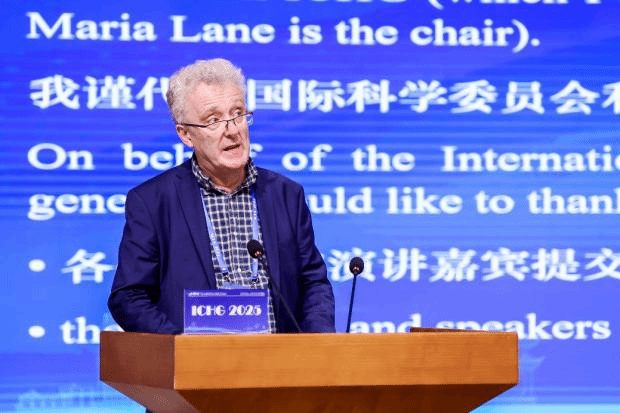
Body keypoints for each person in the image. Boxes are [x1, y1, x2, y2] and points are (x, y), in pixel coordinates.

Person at [108, 58, 335, 334]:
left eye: (238, 114)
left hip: (278, 359)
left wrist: (317, 347)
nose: (233, 130)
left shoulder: (286, 195)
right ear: (186, 134)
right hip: (196, 360)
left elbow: (313, 283)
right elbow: (129, 297)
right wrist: (182, 347)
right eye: (213, 120)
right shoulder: (153, 202)